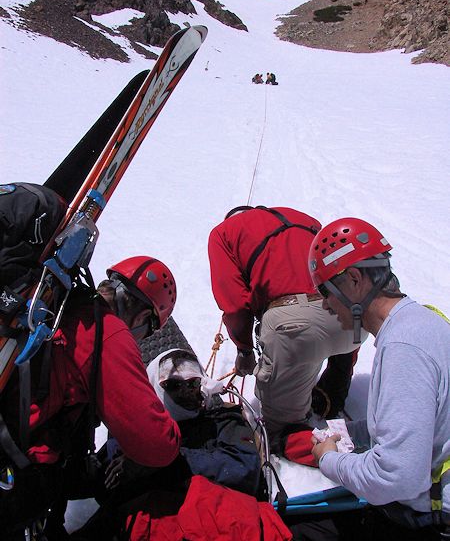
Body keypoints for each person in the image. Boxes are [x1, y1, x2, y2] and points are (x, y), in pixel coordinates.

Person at [0, 255, 181, 539]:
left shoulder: (68, 302)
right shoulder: (108, 333)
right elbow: (153, 442)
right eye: (148, 330)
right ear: (144, 316)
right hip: (20, 469)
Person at [307, 217, 450, 541]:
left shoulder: (404, 347)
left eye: (326, 291)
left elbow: (396, 477)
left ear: (354, 279)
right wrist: (349, 434)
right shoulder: (422, 322)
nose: (326, 305)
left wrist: (329, 460)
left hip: (427, 521)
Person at [70, 339, 265, 539]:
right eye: (174, 385)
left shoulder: (221, 422)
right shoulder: (136, 435)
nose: (186, 392)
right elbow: (93, 479)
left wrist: (164, 459)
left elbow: (244, 468)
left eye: (193, 383)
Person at [207, 206, 358, 441]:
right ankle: (333, 395)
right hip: (351, 319)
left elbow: (235, 304)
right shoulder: (306, 218)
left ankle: (346, 458)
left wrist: (245, 350)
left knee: (282, 434)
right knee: (325, 341)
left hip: (295, 327)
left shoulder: (223, 233)